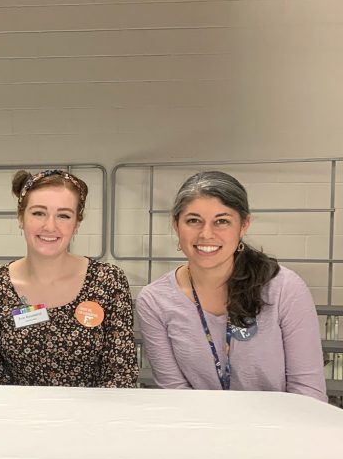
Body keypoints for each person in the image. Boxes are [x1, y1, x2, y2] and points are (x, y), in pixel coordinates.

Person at [137, 171, 327, 401]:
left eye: (222, 221)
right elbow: (175, 395)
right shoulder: (155, 300)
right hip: (198, 430)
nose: (206, 234)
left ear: (244, 225)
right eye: (193, 220)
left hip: (278, 432)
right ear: (176, 225)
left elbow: (308, 394)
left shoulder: (284, 289)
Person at [0, 170, 136, 387]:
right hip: (16, 417)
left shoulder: (107, 281)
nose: (50, 226)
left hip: (93, 416)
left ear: (76, 223)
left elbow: (120, 373)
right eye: (38, 213)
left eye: (64, 215)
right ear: (21, 218)